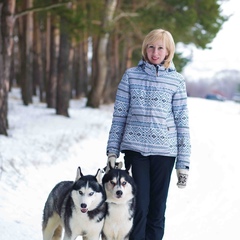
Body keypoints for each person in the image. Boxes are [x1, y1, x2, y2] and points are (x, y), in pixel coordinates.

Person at [106, 28, 191, 240]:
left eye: (160, 48)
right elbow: (119, 116)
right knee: (138, 206)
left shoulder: (176, 81)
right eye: (151, 47)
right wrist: (112, 152)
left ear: (168, 51)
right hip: (136, 151)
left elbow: (182, 122)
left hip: (165, 153)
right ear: (145, 49)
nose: (155, 52)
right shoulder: (131, 76)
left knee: (157, 208)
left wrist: (183, 163)